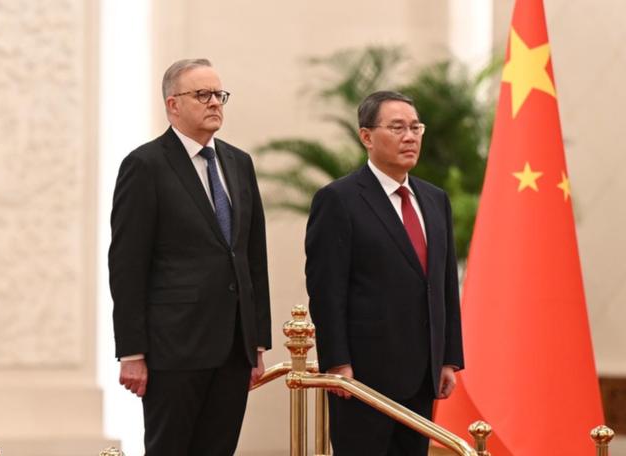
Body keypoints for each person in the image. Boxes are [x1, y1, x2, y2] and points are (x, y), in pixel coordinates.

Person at [108, 58, 271, 456]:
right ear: (172, 104)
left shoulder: (238, 163)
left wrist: (257, 342)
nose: (215, 102)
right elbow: (127, 265)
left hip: (233, 347)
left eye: (219, 94)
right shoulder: (144, 165)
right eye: (202, 94)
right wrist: (132, 351)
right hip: (173, 348)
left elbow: (253, 257)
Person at [305, 90, 464, 455]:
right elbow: (327, 290)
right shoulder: (339, 200)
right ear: (366, 136)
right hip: (363, 378)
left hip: (422, 375)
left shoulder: (435, 199)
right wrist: (336, 363)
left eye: (415, 127)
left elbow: (443, 284)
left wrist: (448, 358)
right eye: (397, 128)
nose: (410, 137)